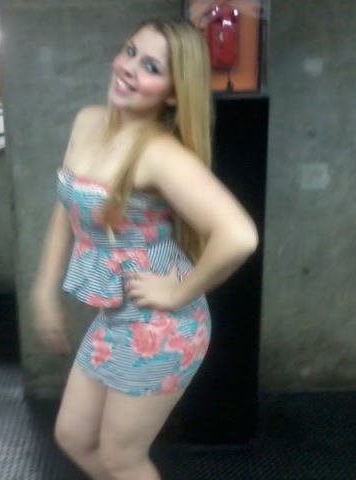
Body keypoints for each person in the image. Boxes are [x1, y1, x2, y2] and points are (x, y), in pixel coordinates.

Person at [31, 18, 258, 480]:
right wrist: (43, 289)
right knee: (74, 437)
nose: (129, 68)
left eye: (151, 67)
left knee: (122, 459)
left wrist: (177, 292)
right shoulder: (88, 121)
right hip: (116, 316)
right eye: (131, 52)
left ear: (172, 94)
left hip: (162, 326)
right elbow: (66, 208)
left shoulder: (159, 154)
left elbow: (239, 236)